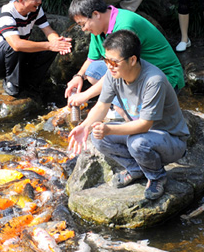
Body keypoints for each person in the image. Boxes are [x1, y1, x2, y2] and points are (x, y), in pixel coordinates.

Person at [67, 30, 188, 201]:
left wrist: (108, 128)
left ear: (132, 60)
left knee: (136, 142)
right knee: (97, 137)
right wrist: (84, 126)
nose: (109, 66)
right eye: (106, 60)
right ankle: (136, 169)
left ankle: (157, 176)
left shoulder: (154, 81)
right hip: (141, 135)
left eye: (114, 62)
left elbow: (144, 125)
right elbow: (102, 105)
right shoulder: (113, 74)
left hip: (170, 140)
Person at [65, 0, 184, 109]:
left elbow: (120, 69)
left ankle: (124, 107)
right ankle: (123, 104)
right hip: (136, 74)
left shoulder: (125, 26)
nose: (83, 29)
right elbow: (91, 60)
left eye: (83, 24)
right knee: (92, 71)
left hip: (163, 79)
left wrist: (86, 95)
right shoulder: (98, 28)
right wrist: (79, 76)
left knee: (124, 111)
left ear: (96, 14)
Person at [0, 0, 72, 96]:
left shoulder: (36, 9)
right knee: (13, 44)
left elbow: (48, 31)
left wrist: (58, 42)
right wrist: (50, 45)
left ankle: (31, 81)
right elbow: (16, 44)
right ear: (21, 0)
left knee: (51, 48)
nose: (39, 1)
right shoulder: (6, 13)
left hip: (17, 57)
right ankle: (11, 82)